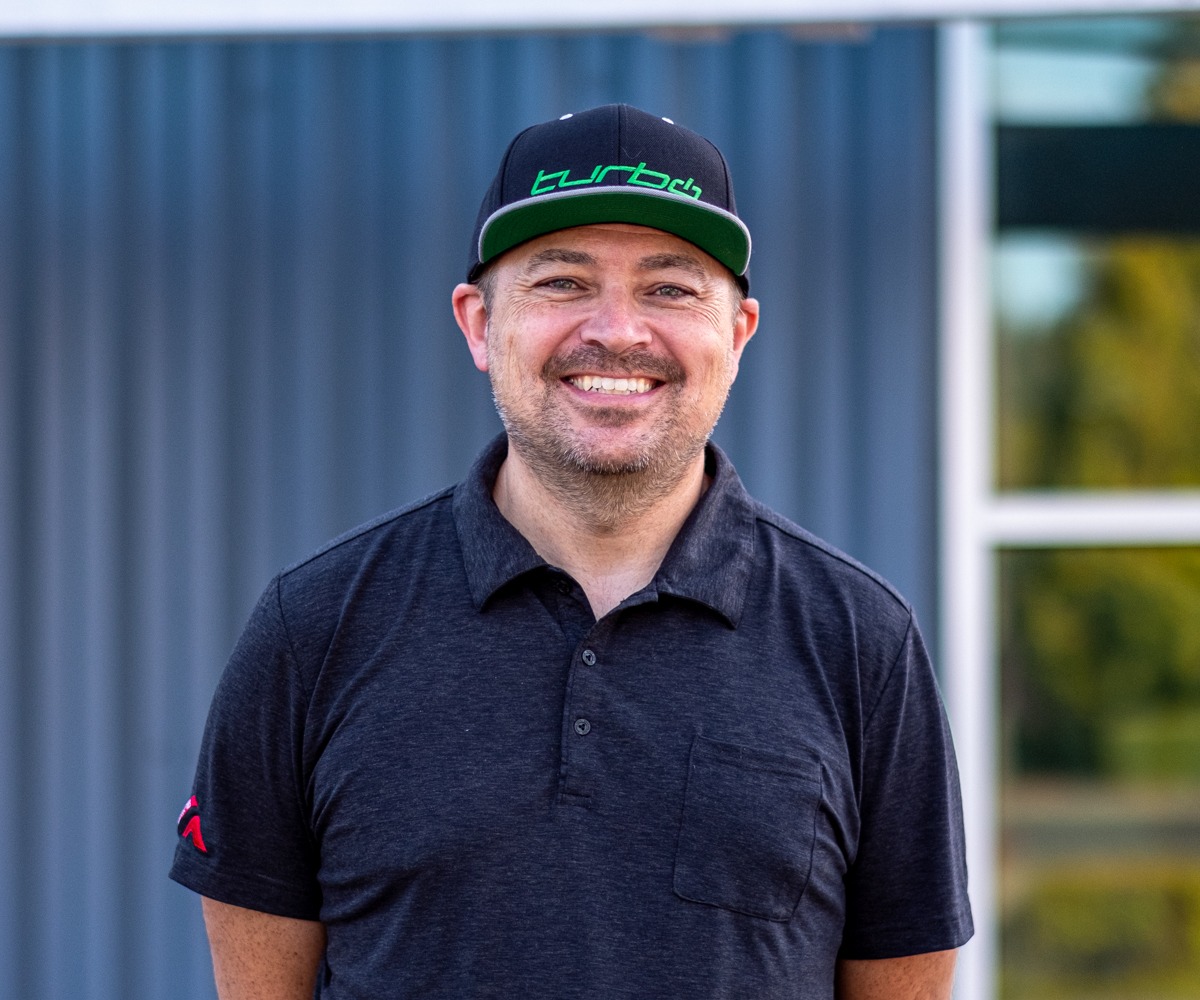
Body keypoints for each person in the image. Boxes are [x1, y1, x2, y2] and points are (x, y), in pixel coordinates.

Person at [170, 103, 973, 1000]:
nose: (618, 331)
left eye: (671, 289)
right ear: (479, 323)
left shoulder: (860, 640)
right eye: (562, 281)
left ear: (738, 333)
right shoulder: (314, 628)